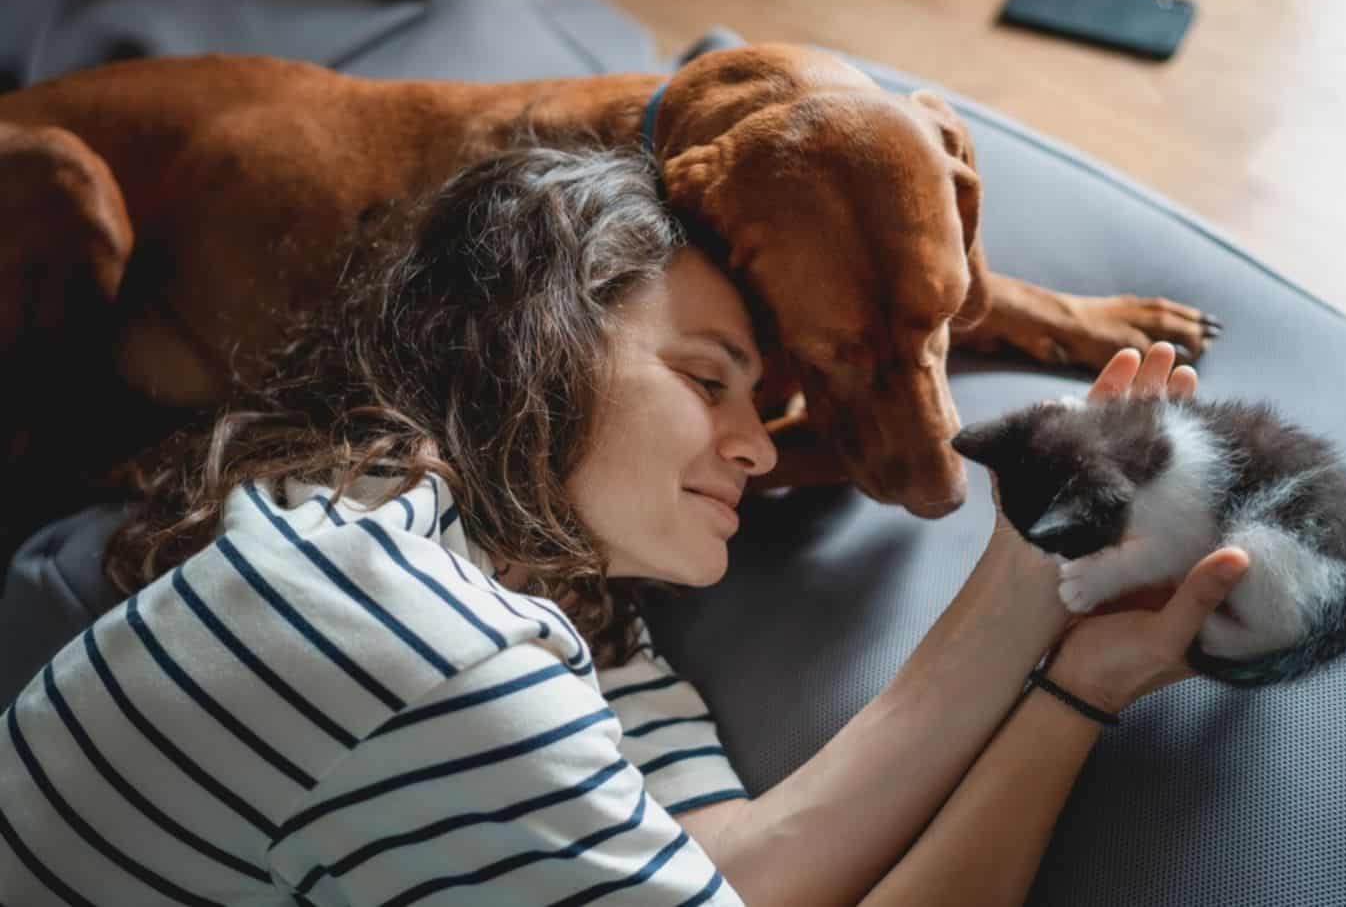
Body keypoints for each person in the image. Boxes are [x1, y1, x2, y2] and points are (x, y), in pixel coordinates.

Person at [0, 141, 1248, 906]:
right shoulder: (422, 640)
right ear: (528, 342)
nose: (760, 447)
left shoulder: (538, 597)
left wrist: (1038, 585)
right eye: (706, 379)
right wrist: (1071, 711)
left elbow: (747, 868)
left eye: (757, 400)